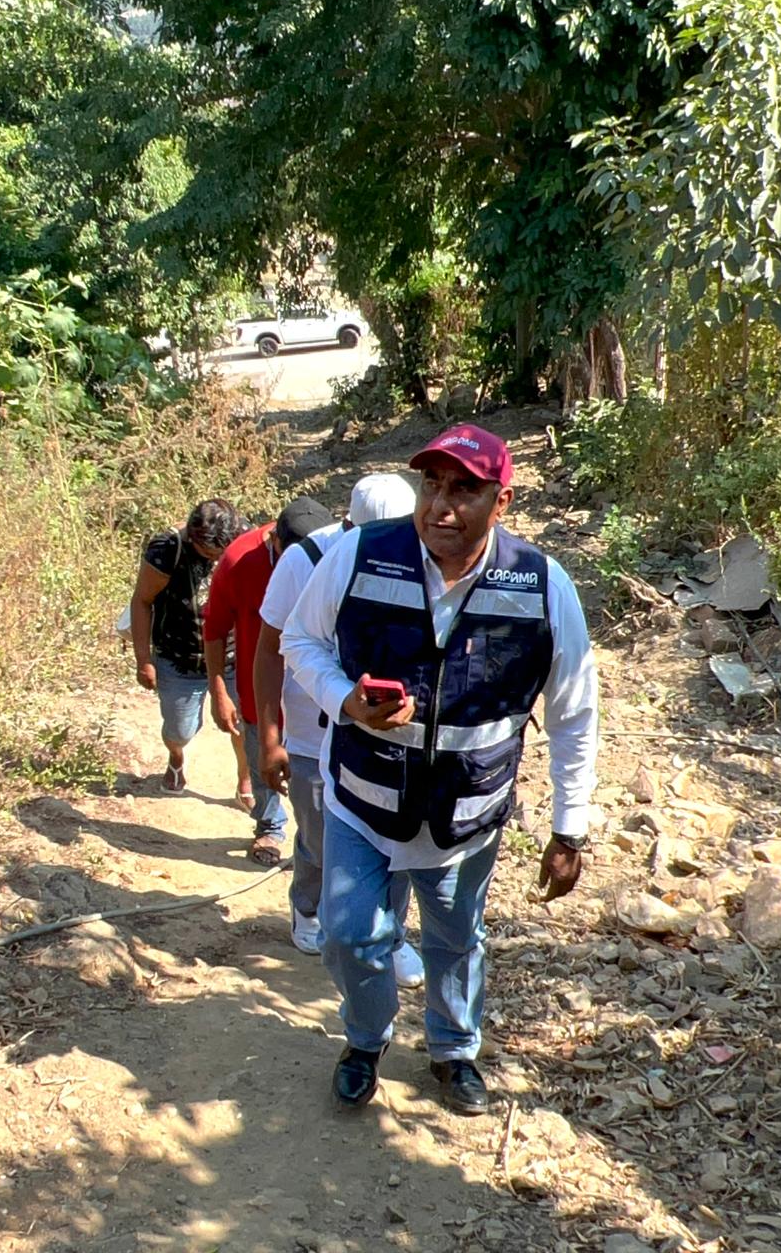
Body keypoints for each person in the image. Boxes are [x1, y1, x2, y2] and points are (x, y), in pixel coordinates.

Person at [281, 425, 597, 1115]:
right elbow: (300, 639)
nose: (440, 506)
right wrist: (344, 701)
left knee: (455, 939)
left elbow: (573, 712)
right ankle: (365, 1039)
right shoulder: (360, 554)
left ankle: (454, 1052)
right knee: (350, 933)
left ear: (501, 501)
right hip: (362, 797)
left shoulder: (542, 584)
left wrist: (569, 828)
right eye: (431, 484)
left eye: (464, 490)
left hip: (465, 813)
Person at [254, 474, 424, 989]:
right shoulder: (303, 560)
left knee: (393, 839)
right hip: (312, 731)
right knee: (318, 836)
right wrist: (269, 738)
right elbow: (270, 649)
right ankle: (308, 907)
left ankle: (391, 935)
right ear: (347, 526)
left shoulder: (423, 557)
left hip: (389, 733)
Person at [205, 495, 334, 865]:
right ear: (274, 539)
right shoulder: (238, 561)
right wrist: (218, 690)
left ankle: (322, 843)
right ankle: (269, 825)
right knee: (262, 757)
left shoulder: (338, 557)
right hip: (259, 690)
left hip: (318, 694)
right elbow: (214, 628)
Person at [129, 499, 250, 796]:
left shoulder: (247, 541)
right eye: (210, 554)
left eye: (224, 553)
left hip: (234, 656)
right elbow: (142, 601)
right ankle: (176, 756)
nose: (218, 560)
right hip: (179, 656)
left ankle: (246, 780)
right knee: (180, 731)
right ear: (194, 540)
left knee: (246, 725)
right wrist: (143, 660)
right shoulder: (167, 549)